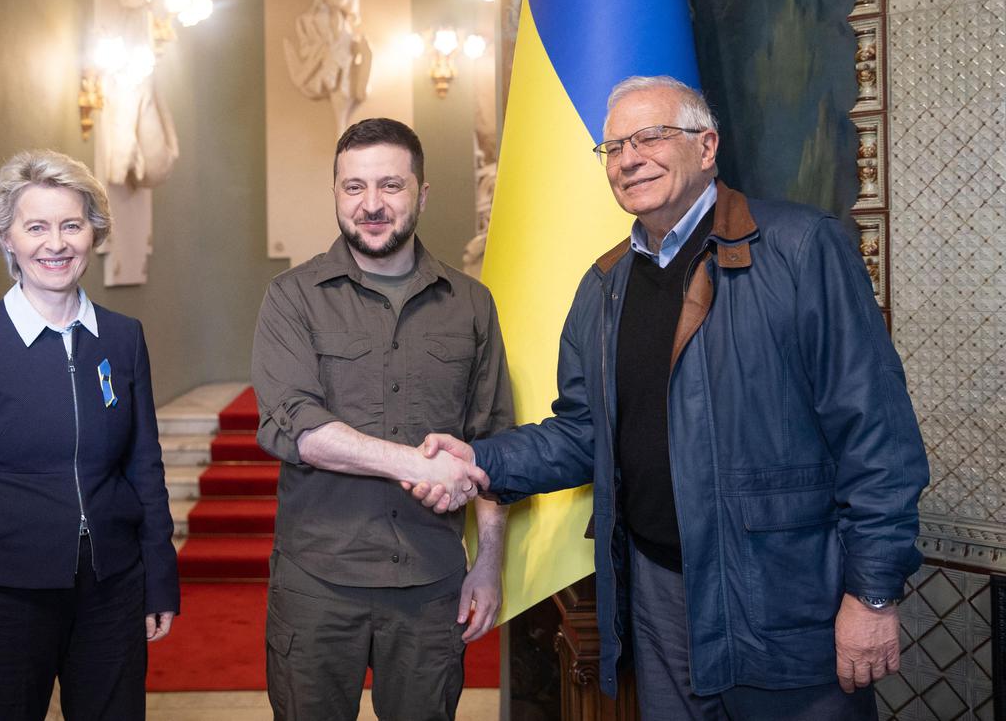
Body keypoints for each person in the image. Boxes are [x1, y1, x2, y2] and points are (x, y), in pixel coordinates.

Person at [412, 76, 929, 720]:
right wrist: (479, 460)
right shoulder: (604, 287)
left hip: (783, 597)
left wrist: (873, 593)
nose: (629, 159)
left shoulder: (802, 250)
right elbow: (583, 434)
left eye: (651, 137)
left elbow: (877, 437)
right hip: (657, 596)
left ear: (706, 146)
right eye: (614, 148)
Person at [251, 117, 512, 721]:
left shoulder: (472, 304)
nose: (371, 204)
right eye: (354, 187)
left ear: (422, 194)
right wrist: (417, 465)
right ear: (336, 193)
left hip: (431, 585)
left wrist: (490, 563)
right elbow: (300, 429)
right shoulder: (291, 297)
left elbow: (494, 442)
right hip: (317, 585)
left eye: (391, 185)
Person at [0, 150, 179, 720]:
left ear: (93, 233)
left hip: (113, 589)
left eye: (71, 225)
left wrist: (160, 577)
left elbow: (144, 466)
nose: (55, 244)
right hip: (6, 598)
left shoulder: (123, 337)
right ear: (6, 238)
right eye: (35, 227)